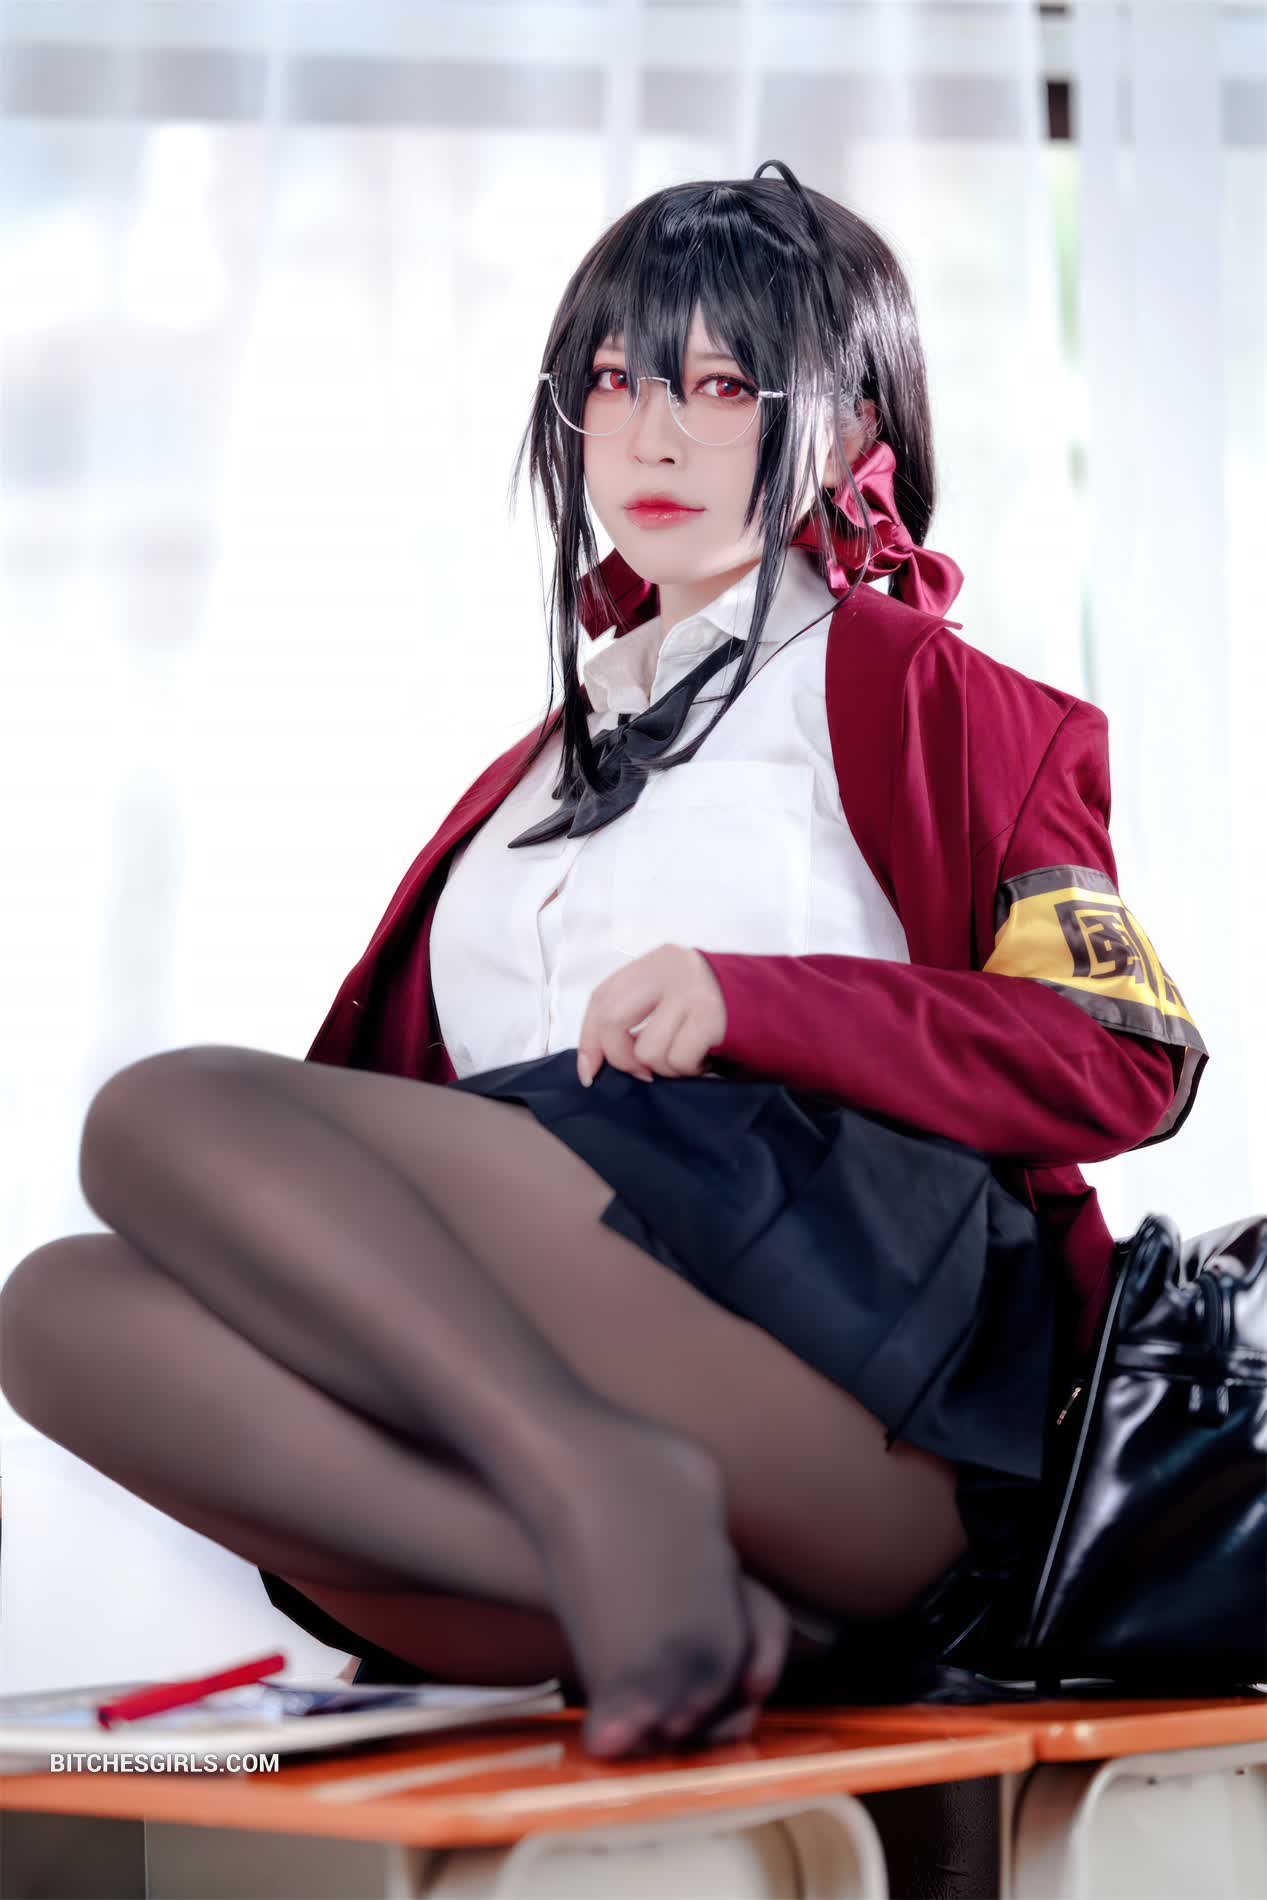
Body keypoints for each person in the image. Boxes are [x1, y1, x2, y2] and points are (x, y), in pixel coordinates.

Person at [0, 162, 1207, 1761]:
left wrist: (754, 1000)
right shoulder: (536, 772)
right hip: (582, 1369)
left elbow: (1120, 1049)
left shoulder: (925, 693)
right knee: (57, 1310)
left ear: (848, 430)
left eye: (722, 388)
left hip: (859, 1386)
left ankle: (604, 1489)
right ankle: (668, 1577)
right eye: (619, 383)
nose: (652, 437)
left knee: (153, 1113)